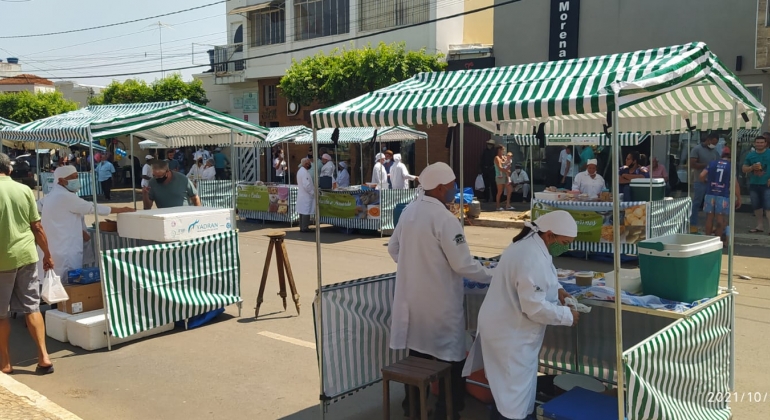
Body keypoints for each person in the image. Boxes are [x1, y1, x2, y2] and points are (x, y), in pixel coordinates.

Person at [388, 162, 493, 419]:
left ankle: (411, 408)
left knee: (419, 355)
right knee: (452, 359)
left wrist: (417, 266)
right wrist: (494, 275)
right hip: (441, 305)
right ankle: (448, 411)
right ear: (439, 187)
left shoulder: (410, 211)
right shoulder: (445, 219)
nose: (455, 189)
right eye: (452, 185)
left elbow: (393, 249)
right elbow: (463, 264)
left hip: (414, 303)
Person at [465, 210, 579, 420]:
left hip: (506, 329)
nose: (566, 247)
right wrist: (567, 316)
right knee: (512, 398)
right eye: (564, 242)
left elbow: (546, 275)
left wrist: (559, 290)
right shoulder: (530, 255)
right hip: (509, 335)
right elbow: (534, 307)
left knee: (509, 392)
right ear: (550, 234)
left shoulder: (533, 245)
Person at [0, 153, 56, 375]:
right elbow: (37, 227)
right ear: (10, 169)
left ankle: (5, 363)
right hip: (26, 255)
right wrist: (47, 254)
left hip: (2, 259)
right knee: (31, 307)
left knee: (1, 314)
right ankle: (44, 357)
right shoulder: (24, 191)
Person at [37, 166, 134, 278]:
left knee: (54, 285)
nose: (76, 180)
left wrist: (83, 233)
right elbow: (92, 207)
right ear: (61, 180)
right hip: (64, 251)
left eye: (77, 177)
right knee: (66, 286)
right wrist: (121, 209)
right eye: (73, 178)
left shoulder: (51, 196)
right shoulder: (64, 196)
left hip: (56, 248)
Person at [700, 147, 740, 239]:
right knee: (720, 219)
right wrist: (738, 197)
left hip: (710, 193)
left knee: (709, 218)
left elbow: (701, 175)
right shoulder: (731, 166)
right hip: (723, 195)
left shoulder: (712, 163)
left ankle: (707, 239)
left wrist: (706, 181)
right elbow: (734, 183)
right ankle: (717, 240)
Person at [688, 134, 720, 231]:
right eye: (713, 142)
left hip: (712, 182)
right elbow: (692, 164)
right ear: (708, 140)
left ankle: (709, 225)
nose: (714, 145)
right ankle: (692, 224)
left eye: (716, 143)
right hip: (699, 181)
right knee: (697, 203)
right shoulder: (697, 149)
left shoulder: (715, 151)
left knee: (710, 204)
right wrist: (708, 165)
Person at [743, 135, 770, 233]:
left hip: (767, 184)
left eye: (761, 142)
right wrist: (751, 168)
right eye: (757, 142)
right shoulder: (750, 155)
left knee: (768, 206)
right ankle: (760, 226)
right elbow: (744, 168)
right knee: (756, 206)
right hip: (754, 183)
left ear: (765, 144)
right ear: (754, 143)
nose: (759, 144)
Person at [296, 158, 315, 232]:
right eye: (308, 163)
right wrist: (312, 192)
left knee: (302, 211)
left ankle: (302, 227)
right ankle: (304, 228)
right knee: (306, 211)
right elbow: (306, 185)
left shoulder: (301, 171)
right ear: (305, 164)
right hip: (306, 195)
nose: (309, 165)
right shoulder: (304, 172)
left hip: (302, 194)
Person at [494, 145, 513, 211]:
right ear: (499, 150)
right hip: (499, 176)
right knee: (500, 192)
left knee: (510, 189)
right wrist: (507, 170)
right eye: (503, 150)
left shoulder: (503, 157)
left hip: (505, 176)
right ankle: (498, 206)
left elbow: (507, 163)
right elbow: (500, 168)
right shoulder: (496, 158)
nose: (504, 151)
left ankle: (508, 205)